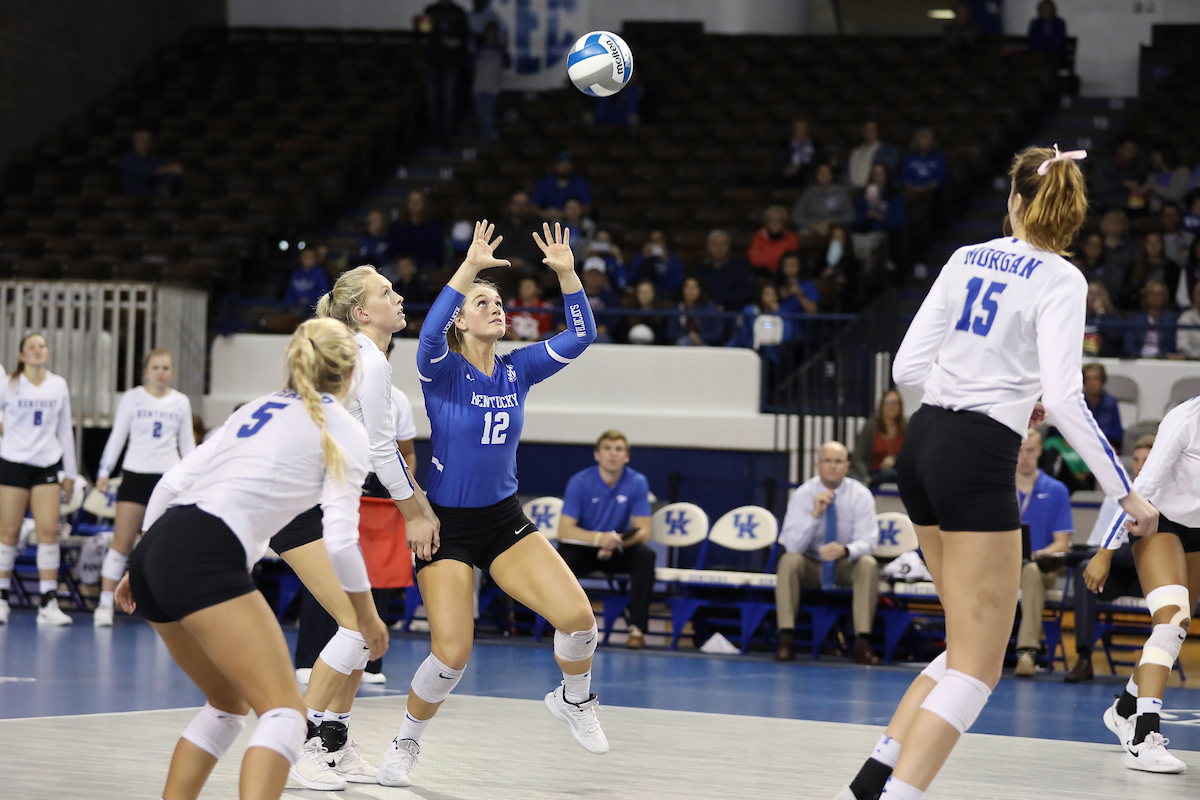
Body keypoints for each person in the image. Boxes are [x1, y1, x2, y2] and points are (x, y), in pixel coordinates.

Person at [831, 145, 1156, 800]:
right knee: (980, 669)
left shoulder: (964, 257)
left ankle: (870, 781)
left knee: (962, 643)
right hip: (976, 458)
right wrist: (1129, 492)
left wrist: (990, 393)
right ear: (1071, 215)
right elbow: (1065, 401)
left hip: (922, 444)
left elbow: (903, 373)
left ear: (1014, 201)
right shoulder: (1061, 278)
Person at [114, 318, 388, 800]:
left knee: (225, 706)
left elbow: (171, 484)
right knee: (284, 713)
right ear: (352, 374)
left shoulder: (256, 408)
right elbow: (342, 541)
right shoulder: (346, 430)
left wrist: (137, 563)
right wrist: (366, 617)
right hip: (208, 551)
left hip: (159, 545)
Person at [376, 222, 603, 788]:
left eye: (499, 301)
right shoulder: (442, 370)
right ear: (461, 317)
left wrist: (568, 274)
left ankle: (574, 699)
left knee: (578, 621)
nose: (496, 308)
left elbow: (581, 336)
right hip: (446, 527)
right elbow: (428, 333)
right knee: (452, 654)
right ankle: (406, 741)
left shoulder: (518, 368)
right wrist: (470, 269)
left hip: (503, 520)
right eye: (483, 302)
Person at [289, 264, 439, 788]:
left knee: (362, 628)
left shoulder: (358, 352)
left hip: (328, 501)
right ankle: (301, 744)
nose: (399, 298)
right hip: (300, 501)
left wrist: (418, 502)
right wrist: (415, 513)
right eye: (387, 292)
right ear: (361, 311)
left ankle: (335, 742)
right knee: (356, 627)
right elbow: (382, 451)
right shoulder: (367, 358)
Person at [1087, 398, 1200, 773]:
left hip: (1198, 533)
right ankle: (1144, 736)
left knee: (1173, 633)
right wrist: (1105, 551)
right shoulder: (1185, 419)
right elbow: (1142, 488)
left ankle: (1122, 711)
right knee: (1171, 621)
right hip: (1158, 523)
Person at [92, 350, 195, 627]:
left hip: (168, 480)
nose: (160, 372)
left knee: (164, 547)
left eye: (165, 367)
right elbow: (118, 436)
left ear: (172, 372)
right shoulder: (133, 398)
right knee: (122, 543)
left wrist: (195, 476)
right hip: (136, 475)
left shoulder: (180, 402)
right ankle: (104, 603)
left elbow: (187, 443)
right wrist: (104, 471)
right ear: (146, 371)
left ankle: (166, 606)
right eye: (155, 367)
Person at [774, 441, 881, 665]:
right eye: (827, 461)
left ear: (846, 466)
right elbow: (792, 545)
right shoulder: (802, 494)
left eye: (838, 461)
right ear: (817, 464)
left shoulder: (860, 495)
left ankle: (862, 643)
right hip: (811, 562)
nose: (832, 466)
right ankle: (786, 639)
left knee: (868, 564)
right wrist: (814, 514)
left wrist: (845, 550)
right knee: (788, 561)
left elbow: (869, 540)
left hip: (844, 564)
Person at [1060, 434, 1153, 683]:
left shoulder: (1166, 497)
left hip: (1150, 576)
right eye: (1136, 459)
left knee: (1136, 551)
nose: (1140, 465)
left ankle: (1064, 558)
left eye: (1146, 459)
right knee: (1084, 568)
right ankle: (1083, 659)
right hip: (1115, 575)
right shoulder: (1117, 496)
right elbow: (1097, 546)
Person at [0, 334, 78, 626]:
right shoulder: (8, 384)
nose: (38, 350)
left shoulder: (58, 385)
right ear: (21, 354)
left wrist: (69, 474)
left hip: (46, 464)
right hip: (12, 464)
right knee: (7, 534)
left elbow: (65, 430)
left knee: (48, 532)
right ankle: (2, 598)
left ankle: (48, 602)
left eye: (42, 346)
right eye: (31, 346)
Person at [557, 430, 654, 649]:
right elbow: (564, 530)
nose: (613, 454)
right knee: (563, 557)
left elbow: (643, 531)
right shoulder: (579, 482)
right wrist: (600, 539)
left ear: (626, 456)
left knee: (645, 556)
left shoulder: (637, 482)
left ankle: (637, 629)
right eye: (607, 449)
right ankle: (564, 625)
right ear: (597, 455)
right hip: (586, 548)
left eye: (619, 449)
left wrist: (615, 544)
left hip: (618, 547)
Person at [1012, 430, 1074, 677]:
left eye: (1030, 450)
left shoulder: (1056, 490)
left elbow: (1062, 543)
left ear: (1039, 452)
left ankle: (1026, 652)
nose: (1024, 457)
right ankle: (959, 648)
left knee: (1030, 570)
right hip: (1003, 566)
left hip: (1042, 567)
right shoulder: (999, 487)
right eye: (1018, 450)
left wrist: (1036, 554)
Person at [419, 0, 470, 143]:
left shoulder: (458, 12)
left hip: (451, 63)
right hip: (432, 61)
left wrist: (456, 43)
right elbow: (423, 33)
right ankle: (436, 135)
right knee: (432, 101)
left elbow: (464, 36)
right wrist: (432, 33)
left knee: (449, 100)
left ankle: (447, 136)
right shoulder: (430, 10)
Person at [852, 390, 907, 487]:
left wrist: (894, 460)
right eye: (887, 402)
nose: (891, 406)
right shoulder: (871, 426)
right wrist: (865, 476)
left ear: (900, 406)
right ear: (881, 405)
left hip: (896, 473)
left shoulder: (906, 427)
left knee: (891, 474)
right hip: (872, 472)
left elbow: (911, 456)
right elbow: (858, 457)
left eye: (895, 403)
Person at [697, 229, 756, 311]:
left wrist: (725, 305)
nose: (719, 248)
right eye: (715, 244)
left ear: (729, 247)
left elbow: (745, 292)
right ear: (707, 247)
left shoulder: (741, 267)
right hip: (709, 314)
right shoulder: (702, 271)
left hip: (735, 312)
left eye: (723, 244)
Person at [471, 20, 509, 144]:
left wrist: (504, 49)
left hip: (493, 88)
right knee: (479, 115)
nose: (491, 35)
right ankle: (482, 140)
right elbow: (469, 63)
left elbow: (507, 64)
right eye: (489, 32)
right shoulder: (478, 48)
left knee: (487, 116)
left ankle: (485, 143)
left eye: (493, 32)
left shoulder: (499, 49)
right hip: (479, 86)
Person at [793, 163, 855, 237]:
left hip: (834, 227)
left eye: (827, 173)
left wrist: (830, 222)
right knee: (802, 234)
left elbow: (850, 216)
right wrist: (814, 225)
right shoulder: (808, 193)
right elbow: (796, 216)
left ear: (831, 175)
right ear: (816, 175)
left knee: (838, 233)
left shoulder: (840, 192)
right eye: (821, 173)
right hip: (811, 227)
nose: (824, 176)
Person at [388, 190, 445, 271]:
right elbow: (392, 249)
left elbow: (437, 250)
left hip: (426, 265)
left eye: (419, 200)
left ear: (424, 203)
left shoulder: (433, 225)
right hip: (401, 265)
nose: (415, 204)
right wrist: (404, 261)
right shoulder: (397, 226)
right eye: (412, 201)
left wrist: (415, 262)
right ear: (406, 203)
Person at [119, 130, 184, 198]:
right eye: (140, 140)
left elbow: (161, 175)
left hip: (154, 192)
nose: (144, 143)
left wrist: (174, 170)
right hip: (135, 194)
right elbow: (144, 173)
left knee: (172, 176)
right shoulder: (127, 159)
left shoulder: (155, 158)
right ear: (134, 142)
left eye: (147, 140)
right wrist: (166, 169)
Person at [1123, 280, 1178, 359]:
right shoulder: (1136, 318)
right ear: (1145, 297)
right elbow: (1129, 345)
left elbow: (1173, 344)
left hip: (1163, 360)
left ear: (1165, 297)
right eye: (1151, 294)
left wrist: (1161, 356)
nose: (1155, 297)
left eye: (1158, 294)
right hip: (1139, 360)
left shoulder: (1172, 318)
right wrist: (1140, 356)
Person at [530, 152, 594, 220]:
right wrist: (544, 214)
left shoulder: (581, 183)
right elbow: (533, 207)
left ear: (573, 165)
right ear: (555, 165)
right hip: (546, 220)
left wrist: (564, 214)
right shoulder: (545, 183)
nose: (565, 166)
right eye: (561, 163)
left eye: (568, 163)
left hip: (574, 221)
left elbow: (587, 208)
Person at [1089, 136, 1145, 214]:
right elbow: (1098, 189)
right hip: (1105, 208)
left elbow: (1143, 188)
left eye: (1134, 151)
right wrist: (1122, 184)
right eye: (1129, 150)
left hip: (1131, 209)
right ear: (1119, 148)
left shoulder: (1139, 167)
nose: (1132, 154)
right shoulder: (1105, 165)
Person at [1124, 231, 1178, 308]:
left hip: (1166, 307)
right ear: (1144, 245)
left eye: (1157, 242)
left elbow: (1174, 292)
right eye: (1149, 242)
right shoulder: (1134, 266)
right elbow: (1129, 291)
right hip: (1139, 308)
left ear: (1162, 245)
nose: (1153, 246)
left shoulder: (1172, 267)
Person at [665, 276, 724, 347]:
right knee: (684, 341)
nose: (691, 291)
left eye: (694, 288)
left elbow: (716, 333)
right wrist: (689, 335)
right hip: (682, 342)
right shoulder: (677, 308)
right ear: (683, 289)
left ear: (700, 290)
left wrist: (698, 337)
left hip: (704, 344)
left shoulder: (709, 307)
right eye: (688, 287)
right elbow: (670, 332)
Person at [1081, 363, 1123, 451]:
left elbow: (1117, 432)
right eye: (1088, 379)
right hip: (1080, 445)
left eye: (1096, 379)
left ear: (1102, 381)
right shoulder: (1076, 403)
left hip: (1104, 445)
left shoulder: (1111, 403)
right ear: (1083, 381)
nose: (1092, 384)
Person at [629, 229, 684, 297]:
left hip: (665, 295)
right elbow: (631, 279)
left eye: (658, 240)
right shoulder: (640, 258)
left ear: (664, 242)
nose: (655, 244)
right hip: (643, 295)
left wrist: (668, 263)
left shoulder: (672, 259)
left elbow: (678, 283)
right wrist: (643, 258)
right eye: (652, 241)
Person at [581, 256, 622, 344]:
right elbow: (559, 321)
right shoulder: (572, 294)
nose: (593, 278)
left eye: (597, 275)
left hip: (599, 335)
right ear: (584, 275)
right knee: (549, 336)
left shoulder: (610, 297)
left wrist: (597, 331)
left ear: (603, 277)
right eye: (590, 274)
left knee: (603, 339)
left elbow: (612, 322)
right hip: (573, 334)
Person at [748, 205, 800, 275]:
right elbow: (754, 260)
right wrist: (778, 257)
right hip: (763, 273)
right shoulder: (758, 236)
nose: (775, 223)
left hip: (783, 275)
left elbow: (790, 261)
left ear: (784, 222)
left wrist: (766, 256)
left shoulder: (791, 237)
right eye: (771, 219)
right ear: (766, 222)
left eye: (779, 220)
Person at [848, 121, 899, 190]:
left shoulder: (885, 151)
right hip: (855, 189)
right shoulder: (855, 152)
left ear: (877, 132)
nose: (869, 133)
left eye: (872, 130)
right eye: (867, 130)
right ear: (862, 132)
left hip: (875, 190)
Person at [769, 119, 820, 188]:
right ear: (793, 131)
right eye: (799, 129)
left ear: (808, 131)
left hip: (810, 181)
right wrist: (785, 172)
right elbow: (777, 167)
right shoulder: (784, 146)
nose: (802, 132)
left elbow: (817, 165)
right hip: (788, 182)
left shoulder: (815, 145)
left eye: (804, 129)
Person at [1141, 143, 1190, 213]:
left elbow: (1177, 195)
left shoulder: (1182, 172)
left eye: (1155, 154)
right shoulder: (1152, 176)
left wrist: (1152, 187)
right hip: (1157, 214)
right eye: (1151, 155)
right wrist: (1138, 192)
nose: (1152, 157)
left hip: (1177, 213)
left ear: (1165, 154)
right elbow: (1146, 202)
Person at [507, 276, 555, 341]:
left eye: (527, 287)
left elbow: (546, 330)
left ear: (538, 290)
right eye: (521, 287)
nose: (523, 290)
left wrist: (533, 340)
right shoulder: (512, 304)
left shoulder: (545, 307)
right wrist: (514, 338)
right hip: (512, 341)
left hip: (537, 342)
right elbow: (506, 324)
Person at [619, 280, 667, 345]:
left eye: (648, 292)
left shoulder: (661, 313)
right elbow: (622, 336)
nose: (645, 295)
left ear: (653, 293)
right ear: (636, 294)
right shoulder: (629, 313)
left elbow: (663, 337)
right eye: (642, 292)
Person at [1083, 281, 1122, 358]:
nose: (1093, 298)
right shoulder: (1078, 314)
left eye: (1097, 294)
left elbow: (1114, 336)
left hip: (1104, 355)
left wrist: (1100, 313)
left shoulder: (1112, 315)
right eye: (1090, 293)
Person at [1176, 282, 1200, 359]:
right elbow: (1182, 345)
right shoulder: (1185, 317)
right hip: (1190, 361)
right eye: (1199, 293)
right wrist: (1196, 356)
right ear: (1193, 296)